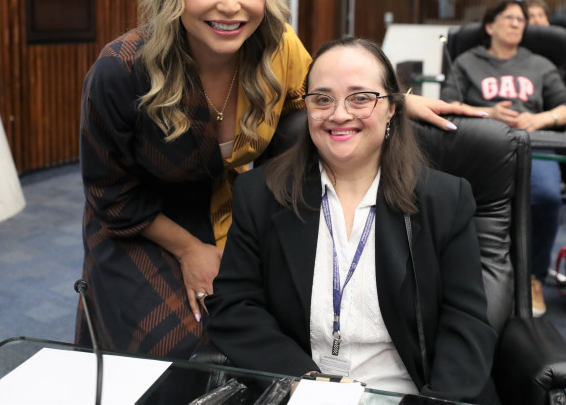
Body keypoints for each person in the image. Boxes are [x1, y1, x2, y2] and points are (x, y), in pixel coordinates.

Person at [77, 0, 486, 359]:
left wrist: (396, 101)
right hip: (142, 219)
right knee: (177, 350)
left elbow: (329, 96)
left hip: (231, 211)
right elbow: (108, 192)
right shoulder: (122, 69)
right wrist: (190, 250)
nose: (230, 5)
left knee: (263, 331)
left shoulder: (276, 47)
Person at [206, 37, 500, 404]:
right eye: (323, 99)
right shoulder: (260, 193)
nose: (339, 114)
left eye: (360, 98)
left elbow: (466, 324)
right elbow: (234, 307)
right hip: (302, 393)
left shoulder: (444, 199)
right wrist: (303, 380)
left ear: (392, 107)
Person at [439, 0, 566, 318]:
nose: (516, 23)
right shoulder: (466, 62)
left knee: (546, 197)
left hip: (532, 141)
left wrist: (538, 119)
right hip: (482, 144)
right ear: (490, 25)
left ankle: (534, 277)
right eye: (509, 17)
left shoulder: (540, 64)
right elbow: (447, 106)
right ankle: (465, 276)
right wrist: (488, 113)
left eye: (521, 19)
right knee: (457, 199)